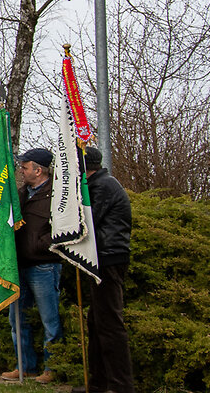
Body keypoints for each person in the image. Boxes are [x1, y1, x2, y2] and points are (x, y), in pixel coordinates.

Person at [1, 147, 64, 384]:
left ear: (38, 170)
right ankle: (24, 366)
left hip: (44, 265)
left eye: (25, 167)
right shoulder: (20, 194)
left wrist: (41, 246)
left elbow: (62, 228)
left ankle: (53, 367)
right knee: (18, 319)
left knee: (50, 319)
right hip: (19, 265)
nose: (22, 170)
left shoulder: (57, 195)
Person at [76, 147, 134, 393]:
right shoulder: (101, 184)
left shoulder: (102, 187)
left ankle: (120, 385)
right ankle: (99, 382)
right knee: (97, 323)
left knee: (109, 324)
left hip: (108, 258)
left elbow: (86, 221)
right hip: (101, 258)